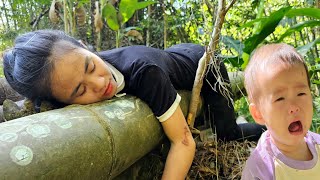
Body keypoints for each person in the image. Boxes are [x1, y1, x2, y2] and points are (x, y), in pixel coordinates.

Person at [3, 30, 265, 179]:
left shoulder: (143, 72)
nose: (98, 82)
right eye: (80, 90)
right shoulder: (65, 81)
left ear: (84, 46)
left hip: (205, 64)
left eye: (90, 65)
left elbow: (184, 142)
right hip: (173, 55)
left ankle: (266, 131)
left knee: (226, 134)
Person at [241, 43, 320, 179]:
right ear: (258, 113)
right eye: (280, 99)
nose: (294, 107)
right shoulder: (261, 169)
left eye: (301, 94)